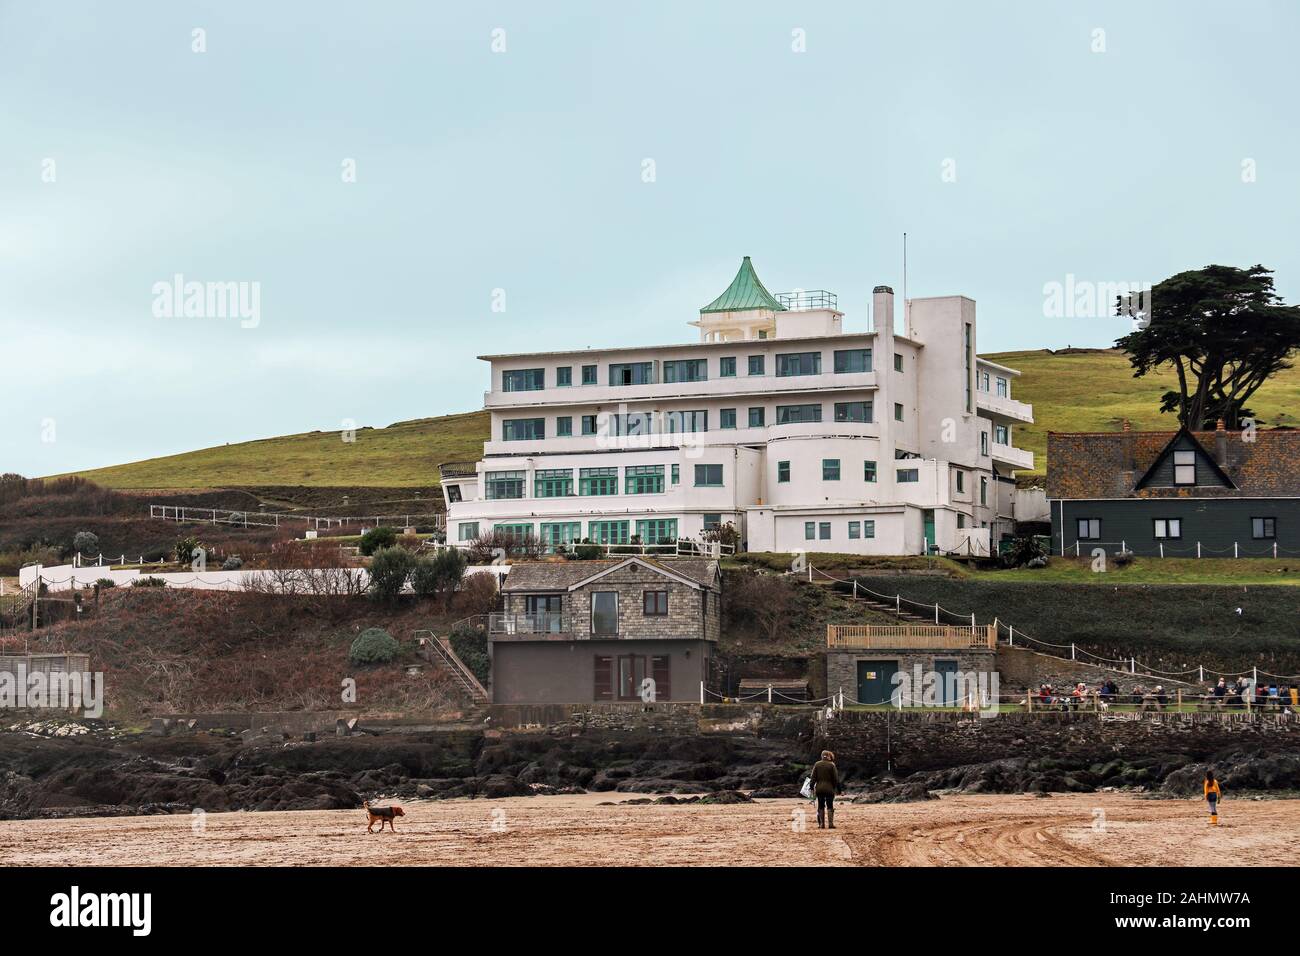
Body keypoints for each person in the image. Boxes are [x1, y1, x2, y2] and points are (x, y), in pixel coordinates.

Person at [809, 750, 841, 830]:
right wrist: (838, 789)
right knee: (830, 806)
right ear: (829, 756)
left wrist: (811, 787)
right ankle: (830, 824)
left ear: (822, 756)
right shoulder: (831, 765)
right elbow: (836, 779)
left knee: (820, 806)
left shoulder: (817, 764)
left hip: (819, 789)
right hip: (829, 789)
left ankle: (822, 824)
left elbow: (813, 778)